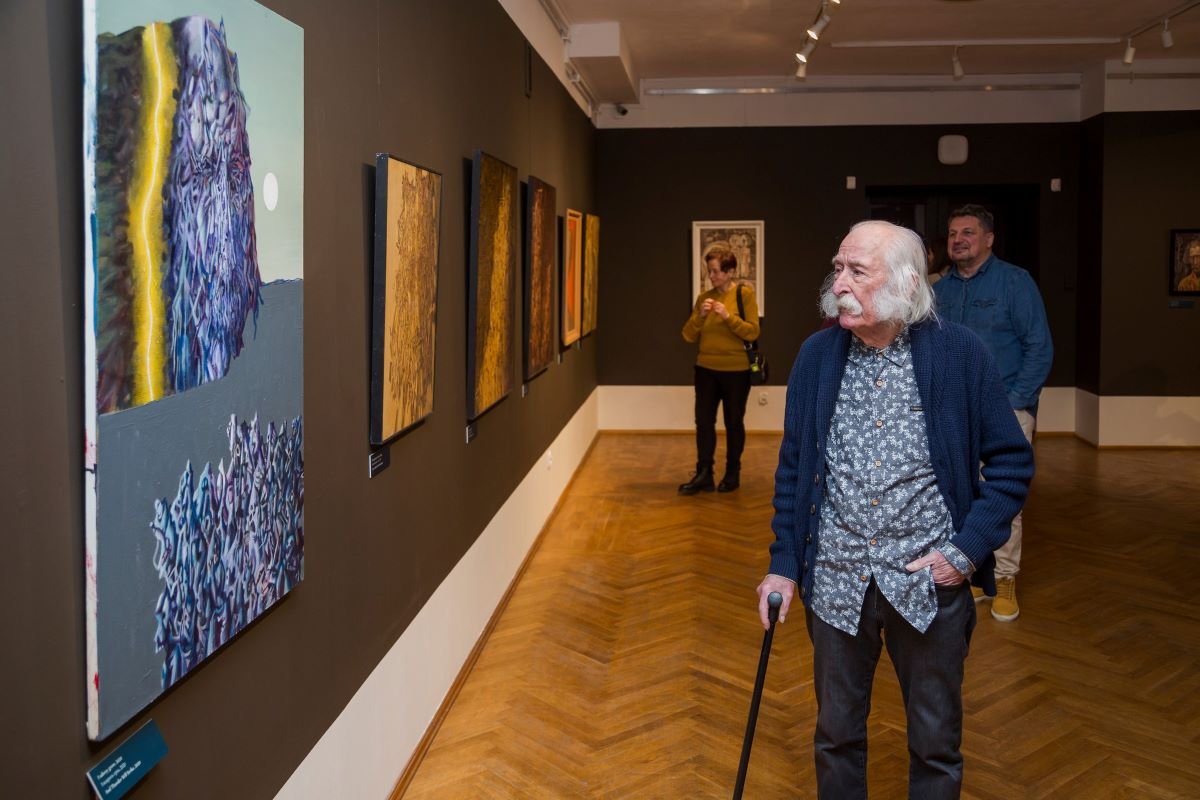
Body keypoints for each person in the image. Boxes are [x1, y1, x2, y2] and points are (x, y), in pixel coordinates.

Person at [756, 220, 1033, 799]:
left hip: (928, 585)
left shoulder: (959, 354)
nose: (840, 284)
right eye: (838, 268)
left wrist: (965, 552)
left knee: (935, 744)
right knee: (835, 736)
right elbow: (794, 471)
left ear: (906, 284)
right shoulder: (815, 356)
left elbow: (1010, 464)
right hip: (836, 580)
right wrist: (784, 562)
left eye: (858, 271)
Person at [934, 204, 1052, 621]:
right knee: (958, 493)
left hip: (1006, 410)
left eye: (967, 231)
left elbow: (1040, 346)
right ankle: (970, 570)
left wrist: (1017, 400)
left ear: (988, 239)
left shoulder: (1015, 283)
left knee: (1004, 496)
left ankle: (1005, 578)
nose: (957, 239)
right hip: (951, 412)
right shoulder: (940, 290)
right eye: (952, 233)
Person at [679, 248, 760, 494]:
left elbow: (752, 332)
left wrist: (727, 317)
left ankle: (732, 473)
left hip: (737, 371)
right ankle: (704, 473)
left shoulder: (743, 295)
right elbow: (687, 335)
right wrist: (700, 316)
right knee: (703, 422)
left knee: (733, 422)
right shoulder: (703, 298)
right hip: (705, 370)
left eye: (715, 271)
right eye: (709, 271)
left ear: (730, 271)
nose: (711, 276)